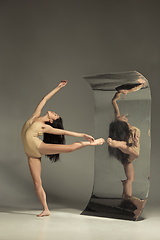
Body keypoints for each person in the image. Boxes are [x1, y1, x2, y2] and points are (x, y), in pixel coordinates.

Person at [21, 80, 105, 217]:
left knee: (70, 148)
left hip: (37, 148)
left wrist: (83, 135)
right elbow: (44, 99)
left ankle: (93, 144)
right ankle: (46, 209)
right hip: (30, 154)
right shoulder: (35, 116)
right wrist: (58, 87)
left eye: (55, 115)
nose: (54, 112)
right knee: (37, 183)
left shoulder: (46, 127)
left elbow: (65, 132)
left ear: (51, 121)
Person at [107, 91, 140, 199]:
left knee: (130, 179)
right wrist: (135, 138)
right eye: (123, 117)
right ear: (123, 123)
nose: (124, 116)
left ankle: (127, 196)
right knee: (134, 154)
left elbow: (115, 108)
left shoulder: (121, 125)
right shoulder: (129, 129)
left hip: (124, 156)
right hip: (128, 150)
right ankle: (119, 144)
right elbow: (133, 134)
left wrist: (116, 98)